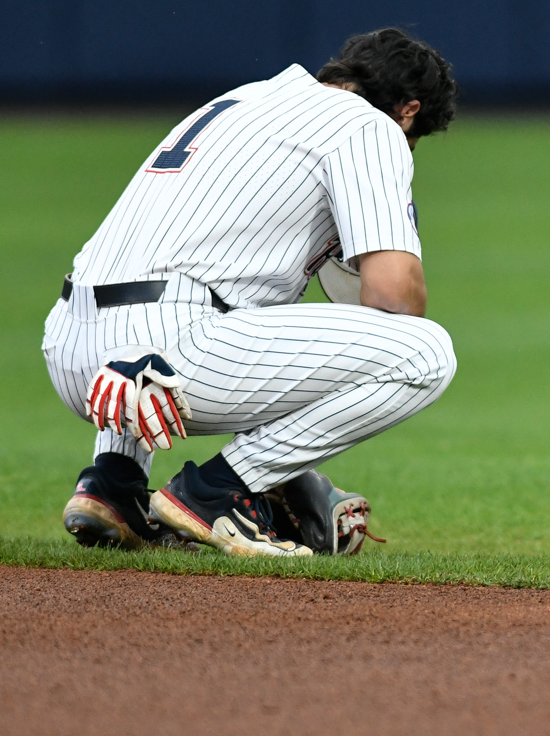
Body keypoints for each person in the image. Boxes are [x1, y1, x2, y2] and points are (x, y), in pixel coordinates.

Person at [41, 28, 459, 557]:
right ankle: (217, 491)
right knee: (425, 353)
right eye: (414, 136)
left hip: (74, 353)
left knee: (231, 301)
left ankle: (114, 484)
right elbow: (394, 298)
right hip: (173, 351)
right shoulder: (369, 125)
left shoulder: (245, 98)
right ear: (408, 111)